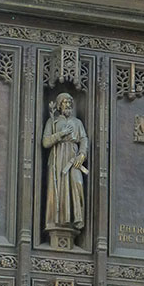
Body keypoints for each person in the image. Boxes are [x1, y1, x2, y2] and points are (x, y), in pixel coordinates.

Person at [43, 92, 88, 237]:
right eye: (65, 102)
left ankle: (76, 218)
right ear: (59, 105)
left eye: (70, 102)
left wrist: (82, 154)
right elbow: (45, 142)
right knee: (59, 189)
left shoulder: (77, 122)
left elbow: (84, 139)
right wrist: (60, 134)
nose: (68, 105)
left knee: (78, 184)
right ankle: (58, 221)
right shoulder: (53, 122)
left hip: (73, 159)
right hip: (58, 159)